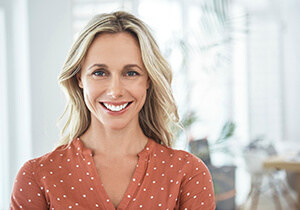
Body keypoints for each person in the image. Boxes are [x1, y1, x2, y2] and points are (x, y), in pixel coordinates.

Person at [10, 11, 215, 209]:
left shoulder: (188, 174)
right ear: (79, 78)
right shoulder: (37, 176)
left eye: (131, 73)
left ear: (148, 80)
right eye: (100, 72)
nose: (115, 91)